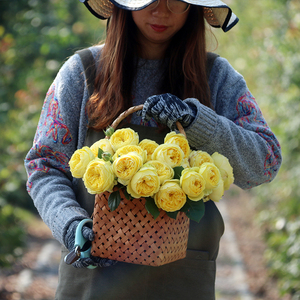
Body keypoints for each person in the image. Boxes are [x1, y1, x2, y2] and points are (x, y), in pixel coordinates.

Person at [24, 0, 282, 299]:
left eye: (177, 2)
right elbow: (44, 165)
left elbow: (266, 163)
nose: (162, 11)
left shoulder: (216, 77)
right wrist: (70, 224)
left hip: (182, 276)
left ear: (194, 9)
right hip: (94, 276)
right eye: (149, 0)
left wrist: (198, 121)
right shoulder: (82, 73)